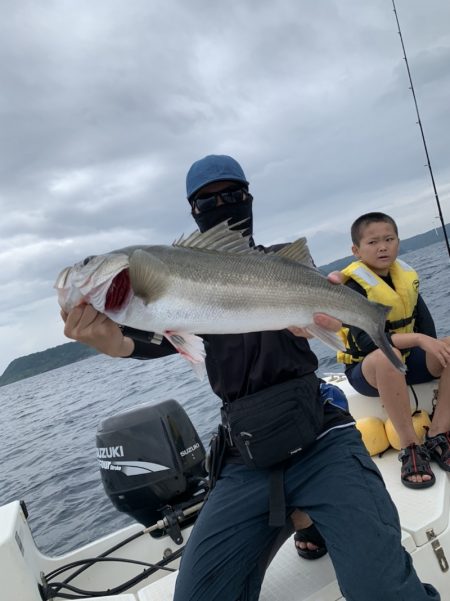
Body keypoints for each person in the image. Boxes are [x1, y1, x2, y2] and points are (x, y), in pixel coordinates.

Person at [61, 157, 439, 600]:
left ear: (249, 198)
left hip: (320, 434)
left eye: (233, 195)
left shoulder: (280, 263)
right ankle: (309, 518)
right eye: (209, 199)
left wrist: (327, 315)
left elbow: (324, 317)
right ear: (193, 209)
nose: (223, 204)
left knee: (384, 592)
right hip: (247, 455)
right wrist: (115, 342)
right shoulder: (178, 285)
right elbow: (156, 340)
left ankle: (314, 516)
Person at [337, 211, 450, 489]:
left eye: (389, 239)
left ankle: (438, 433)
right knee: (388, 356)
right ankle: (410, 448)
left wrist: (429, 344)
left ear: (399, 241)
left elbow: (429, 333)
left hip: (409, 363)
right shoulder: (352, 287)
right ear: (356, 250)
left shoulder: (405, 278)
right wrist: (420, 341)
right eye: (373, 242)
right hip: (369, 371)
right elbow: (367, 342)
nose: (383, 247)